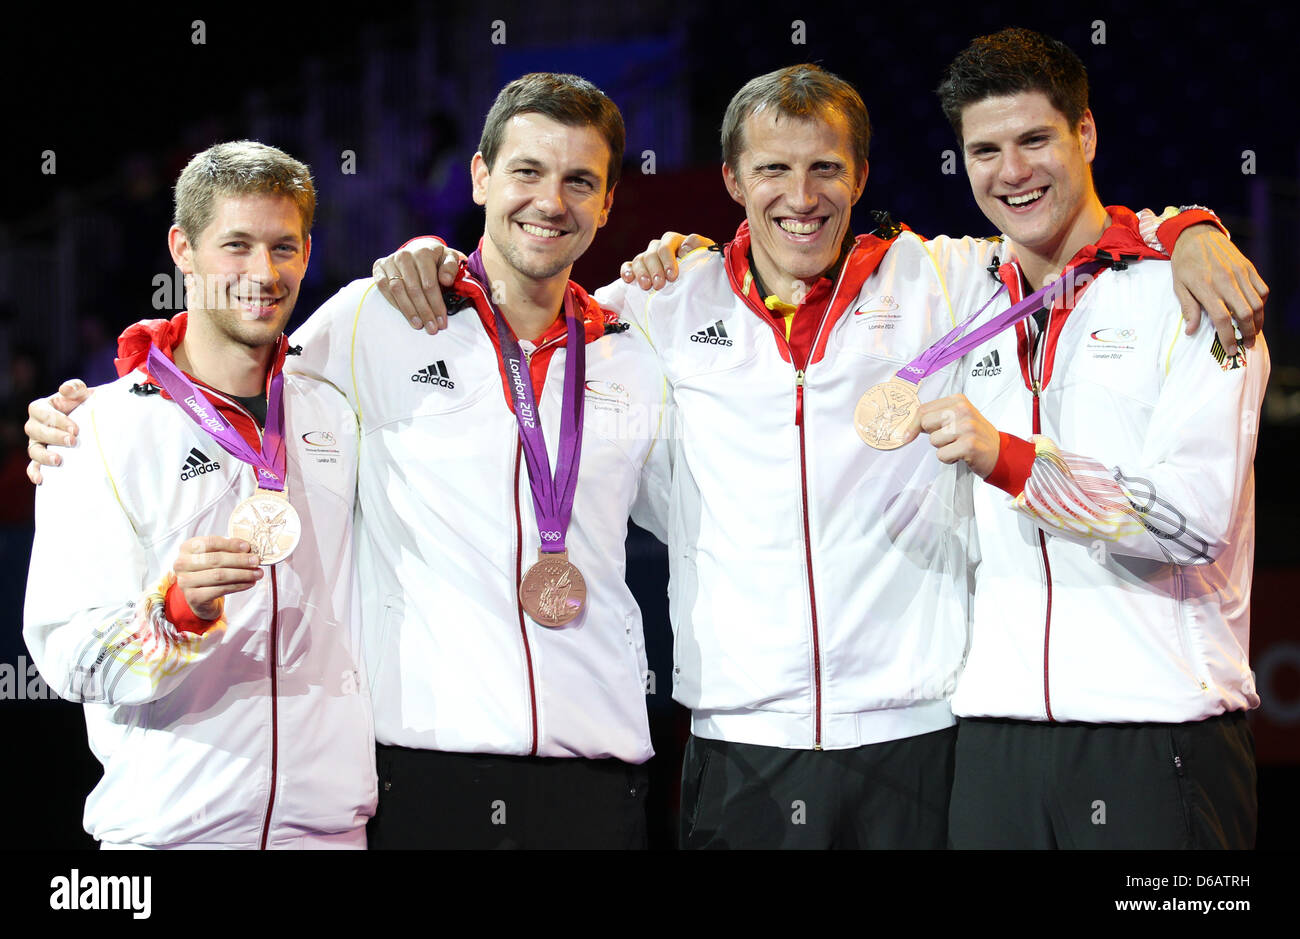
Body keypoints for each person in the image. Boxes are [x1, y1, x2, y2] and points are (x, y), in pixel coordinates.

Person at [379, 65, 1262, 849]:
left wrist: (1189, 228)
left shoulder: (945, 280)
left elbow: (1078, 241)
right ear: (731, 179)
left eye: (825, 168)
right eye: (772, 168)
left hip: (917, 734)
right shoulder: (656, 306)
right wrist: (432, 262)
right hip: (738, 740)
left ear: (861, 177)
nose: (800, 195)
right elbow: (531, 307)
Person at [26, 75, 668, 849]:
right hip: (352, 794)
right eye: (527, 170)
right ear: (479, 177)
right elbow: (220, 357)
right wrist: (97, 406)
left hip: (415, 810)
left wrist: (679, 258)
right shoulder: (366, 325)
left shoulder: (636, 348)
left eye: (579, 181)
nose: (263, 273)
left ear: (608, 201)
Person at [913, 27, 1266, 848]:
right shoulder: (963, 298)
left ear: (1087, 133)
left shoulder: (1196, 299)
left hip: (1158, 730)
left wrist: (1006, 457)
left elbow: (1188, 518)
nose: (1012, 172)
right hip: (995, 739)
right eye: (984, 150)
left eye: (1035, 139)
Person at [23, 141, 376, 849]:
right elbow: (66, 654)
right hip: (171, 834)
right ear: (182, 249)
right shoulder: (94, 428)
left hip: (330, 833)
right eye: (236, 246)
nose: (263, 273)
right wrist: (174, 613)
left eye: (284, 247)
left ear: (308, 252)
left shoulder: (341, 411)